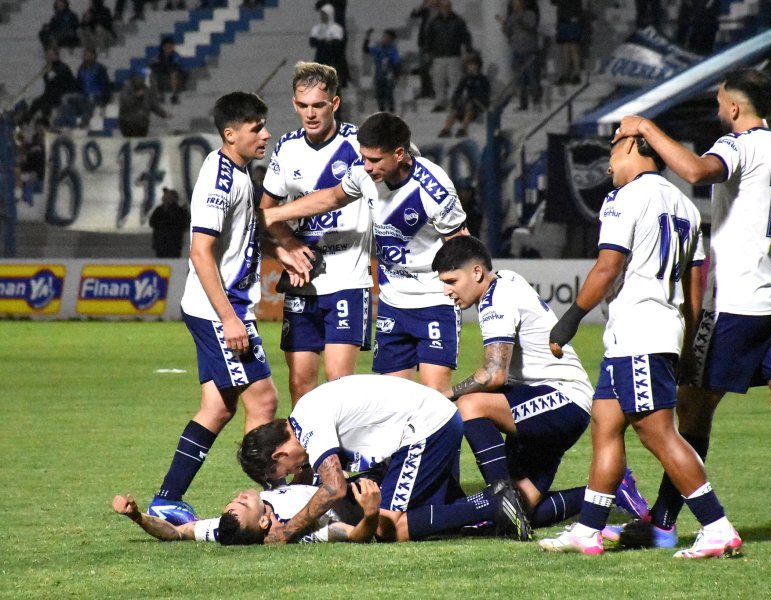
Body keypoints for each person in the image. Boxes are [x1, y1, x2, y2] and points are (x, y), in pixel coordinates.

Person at [611, 68, 771, 552]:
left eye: (719, 103)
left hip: (739, 302)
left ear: (732, 108)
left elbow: (693, 170)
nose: (717, 111)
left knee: (692, 405)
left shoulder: (738, 145)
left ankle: (664, 522)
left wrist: (645, 127)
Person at [538, 134, 741, 558]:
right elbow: (695, 287)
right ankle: (588, 530)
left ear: (633, 148)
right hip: (655, 331)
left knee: (658, 434)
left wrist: (569, 321)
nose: (608, 162)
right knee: (606, 424)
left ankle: (717, 526)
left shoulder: (625, 197)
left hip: (638, 332)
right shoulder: (685, 205)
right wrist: (685, 348)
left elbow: (608, 265)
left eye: (612, 150)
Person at [432, 235, 651, 533]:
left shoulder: (496, 300)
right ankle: (612, 490)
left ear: (477, 273)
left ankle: (501, 496)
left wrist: (449, 393)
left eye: (452, 281)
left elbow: (494, 374)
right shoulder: (506, 279)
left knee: (470, 405)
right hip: (550, 402)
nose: (447, 291)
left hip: (562, 398)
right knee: (523, 513)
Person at [261, 111, 468, 394]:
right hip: (393, 302)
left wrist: (459, 290)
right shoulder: (362, 173)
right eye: (364, 158)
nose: (367, 167)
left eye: (374, 160)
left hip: (434, 300)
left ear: (398, 154)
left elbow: (460, 244)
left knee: (434, 396)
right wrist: (273, 214)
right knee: (393, 401)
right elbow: (331, 197)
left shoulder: (434, 187)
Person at [146, 92, 279, 526]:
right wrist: (229, 318)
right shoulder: (220, 180)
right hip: (219, 309)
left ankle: (168, 498)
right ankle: (274, 503)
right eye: (256, 127)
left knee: (218, 408)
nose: (265, 133)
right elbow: (200, 251)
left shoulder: (237, 172)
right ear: (230, 133)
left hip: (224, 306)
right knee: (263, 400)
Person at [237, 374, 532, 542]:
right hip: (425, 423)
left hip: (426, 429)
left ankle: (493, 504)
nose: (287, 477)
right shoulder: (302, 419)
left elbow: (333, 488)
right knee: (433, 512)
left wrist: (287, 531)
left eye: (279, 473)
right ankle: (529, 505)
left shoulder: (310, 425)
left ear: (280, 453)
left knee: (388, 527)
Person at [258, 61, 372, 404]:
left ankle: (345, 458)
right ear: (294, 104)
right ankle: (307, 458)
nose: (310, 114)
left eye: (318, 105)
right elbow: (265, 214)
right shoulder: (287, 148)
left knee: (339, 383)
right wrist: (290, 243)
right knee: (300, 386)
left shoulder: (359, 144)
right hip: (302, 282)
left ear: (334, 104)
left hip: (347, 280)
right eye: (303, 106)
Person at [112, 479, 380, 545]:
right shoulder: (298, 529)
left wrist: (138, 517)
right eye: (243, 503)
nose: (240, 496)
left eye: (234, 501)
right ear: (264, 522)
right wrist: (370, 514)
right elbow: (354, 535)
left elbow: (177, 533)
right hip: (354, 493)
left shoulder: (227, 528)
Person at [423, 0, 473, 112]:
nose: (446, 9)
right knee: (438, 81)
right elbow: (429, 38)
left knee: (455, 81)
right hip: (438, 56)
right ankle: (440, 102)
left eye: (448, 6)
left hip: (454, 55)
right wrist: (427, 51)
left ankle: (456, 102)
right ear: (439, 8)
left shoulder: (458, 21)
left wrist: (469, 49)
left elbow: (466, 36)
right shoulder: (434, 22)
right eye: (443, 6)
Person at [497, 0, 541, 111]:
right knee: (520, 79)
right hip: (517, 50)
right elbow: (509, 32)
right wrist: (504, 25)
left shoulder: (530, 14)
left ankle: (536, 101)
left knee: (532, 78)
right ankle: (523, 104)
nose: (514, 5)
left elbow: (530, 28)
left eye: (516, 2)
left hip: (529, 50)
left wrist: (518, 20)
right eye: (513, 3)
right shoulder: (512, 16)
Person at [437, 55, 490, 139]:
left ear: (477, 66)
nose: (470, 67)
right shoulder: (466, 78)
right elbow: (458, 92)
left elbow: (485, 95)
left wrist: (476, 101)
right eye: (469, 65)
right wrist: (455, 101)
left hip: (478, 105)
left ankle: (463, 129)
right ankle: (447, 129)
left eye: (472, 65)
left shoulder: (482, 79)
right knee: (454, 110)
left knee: (470, 109)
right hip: (467, 103)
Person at [59, 47, 111, 129]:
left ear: (94, 56)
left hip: (97, 96)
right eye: (85, 55)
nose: (86, 56)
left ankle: (84, 121)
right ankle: (71, 122)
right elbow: (78, 85)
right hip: (83, 95)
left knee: (91, 97)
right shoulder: (81, 69)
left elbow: (106, 85)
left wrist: (105, 98)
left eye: (88, 55)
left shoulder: (100, 69)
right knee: (65, 97)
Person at [26, 47, 79, 124]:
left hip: (62, 94)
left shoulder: (62, 67)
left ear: (56, 56)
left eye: (51, 55)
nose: (49, 57)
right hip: (50, 94)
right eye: (48, 55)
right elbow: (47, 84)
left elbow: (65, 82)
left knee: (46, 105)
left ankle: (45, 123)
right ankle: (26, 122)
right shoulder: (47, 68)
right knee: (36, 102)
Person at [309, 4, 349, 90]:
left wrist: (323, 41)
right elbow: (312, 42)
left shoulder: (336, 28)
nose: (323, 17)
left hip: (333, 60)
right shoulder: (317, 28)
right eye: (322, 14)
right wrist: (325, 41)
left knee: (333, 88)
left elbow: (336, 44)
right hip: (320, 59)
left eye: (325, 14)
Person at [363, 28, 401, 113]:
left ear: (391, 40)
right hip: (379, 77)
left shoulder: (393, 50)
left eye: (387, 37)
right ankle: (382, 113)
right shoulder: (378, 48)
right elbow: (366, 49)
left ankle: (391, 114)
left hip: (388, 78)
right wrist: (367, 37)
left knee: (389, 96)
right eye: (384, 37)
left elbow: (397, 64)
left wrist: (396, 76)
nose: (385, 39)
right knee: (379, 97)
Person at [118, 72, 167, 137]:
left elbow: (153, 104)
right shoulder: (127, 88)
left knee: (140, 139)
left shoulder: (147, 90)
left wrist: (163, 114)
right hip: (128, 123)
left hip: (143, 123)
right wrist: (136, 96)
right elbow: (125, 103)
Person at [149, 187, 190, 258]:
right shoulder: (159, 210)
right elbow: (152, 222)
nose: (164, 197)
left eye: (167, 196)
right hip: (160, 244)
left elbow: (184, 225)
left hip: (173, 244)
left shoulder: (179, 211)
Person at [550, 0, 584, 85]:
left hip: (573, 20)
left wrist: (577, 16)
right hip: (562, 20)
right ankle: (565, 74)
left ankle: (576, 74)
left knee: (574, 49)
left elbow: (578, 5)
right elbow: (553, 2)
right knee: (564, 50)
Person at [410, 0, 438, 99]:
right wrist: (422, 5)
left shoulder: (441, 10)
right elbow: (413, 15)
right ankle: (425, 91)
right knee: (423, 69)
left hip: (436, 45)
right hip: (423, 43)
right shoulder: (426, 10)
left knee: (434, 70)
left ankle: (433, 91)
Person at [150, 36, 188, 104]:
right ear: (163, 47)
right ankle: (160, 95)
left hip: (173, 76)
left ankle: (175, 96)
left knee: (175, 74)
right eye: (166, 46)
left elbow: (179, 66)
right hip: (161, 75)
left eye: (171, 46)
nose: (168, 48)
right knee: (152, 75)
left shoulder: (176, 55)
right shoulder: (158, 56)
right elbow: (153, 66)